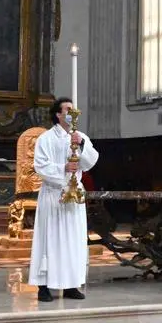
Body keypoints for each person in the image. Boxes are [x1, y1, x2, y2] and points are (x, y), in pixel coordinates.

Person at [29, 97, 99, 302]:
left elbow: (91, 161)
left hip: (74, 195)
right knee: (49, 239)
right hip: (54, 195)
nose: (71, 112)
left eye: (73, 109)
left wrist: (83, 144)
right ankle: (44, 286)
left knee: (73, 240)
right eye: (68, 109)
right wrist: (62, 168)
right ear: (58, 114)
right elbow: (40, 166)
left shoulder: (79, 136)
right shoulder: (46, 138)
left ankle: (71, 284)